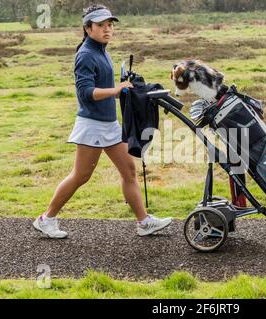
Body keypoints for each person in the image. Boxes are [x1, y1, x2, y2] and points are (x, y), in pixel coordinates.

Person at [33, 4, 172, 238]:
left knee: (128, 171)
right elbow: (86, 92)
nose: (107, 29)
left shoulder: (101, 50)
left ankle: (144, 222)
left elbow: (105, 87)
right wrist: (115, 89)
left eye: (109, 25)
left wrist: (122, 86)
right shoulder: (86, 54)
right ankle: (46, 219)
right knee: (81, 175)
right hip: (93, 125)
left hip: (109, 124)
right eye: (100, 25)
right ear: (88, 28)